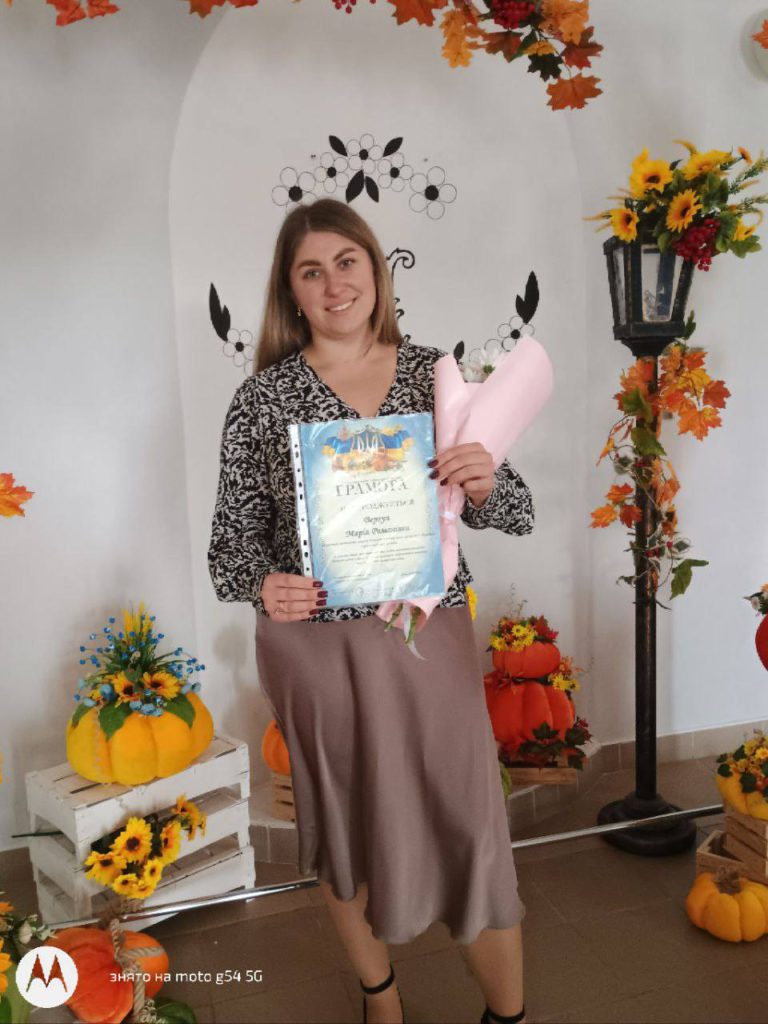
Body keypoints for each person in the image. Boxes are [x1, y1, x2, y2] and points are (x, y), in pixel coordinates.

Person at [208, 197, 533, 1024]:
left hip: (427, 640)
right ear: (290, 290)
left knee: (468, 820)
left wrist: (485, 481)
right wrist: (261, 585)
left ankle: (508, 1013)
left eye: (346, 262)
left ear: (375, 270)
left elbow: (516, 508)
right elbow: (229, 549)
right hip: (316, 651)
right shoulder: (260, 400)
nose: (334, 284)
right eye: (311, 271)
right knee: (346, 826)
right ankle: (380, 998)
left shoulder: (436, 375)